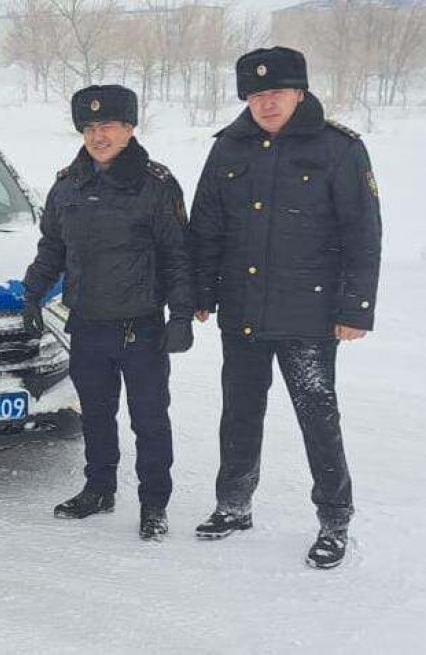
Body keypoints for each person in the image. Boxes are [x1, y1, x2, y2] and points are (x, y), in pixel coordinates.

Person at [189, 47, 382, 569]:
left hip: (310, 315)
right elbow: (206, 224)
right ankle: (233, 505)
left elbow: (362, 233)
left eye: (276, 92)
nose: (266, 102)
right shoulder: (229, 147)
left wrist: (356, 308)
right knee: (239, 413)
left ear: (300, 91)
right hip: (243, 311)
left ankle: (334, 520)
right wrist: (201, 292)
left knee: (318, 417)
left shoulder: (338, 148)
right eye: (255, 94)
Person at [22, 85, 195, 541]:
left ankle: (154, 503)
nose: (99, 136)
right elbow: (52, 248)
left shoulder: (156, 185)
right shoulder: (67, 185)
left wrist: (180, 316)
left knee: (149, 419)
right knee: (96, 415)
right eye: (90, 128)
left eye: (109, 126)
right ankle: (99, 490)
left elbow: (179, 255)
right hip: (87, 324)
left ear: (129, 128)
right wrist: (32, 293)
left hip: (140, 328)